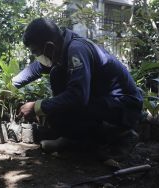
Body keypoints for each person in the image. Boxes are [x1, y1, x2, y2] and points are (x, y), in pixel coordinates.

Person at [12, 18, 143, 160]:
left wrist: (37, 106)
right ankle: (73, 139)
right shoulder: (60, 47)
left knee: (57, 108)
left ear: (49, 46)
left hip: (124, 107)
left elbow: (77, 97)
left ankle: (122, 135)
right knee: (57, 78)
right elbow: (37, 68)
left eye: (36, 52)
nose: (37, 57)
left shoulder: (76, 50)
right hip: (102, 101)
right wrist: (11, 85)